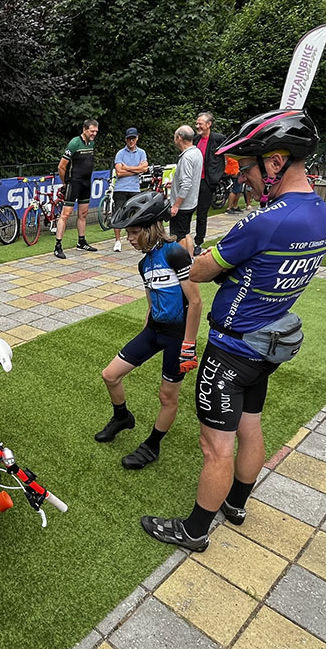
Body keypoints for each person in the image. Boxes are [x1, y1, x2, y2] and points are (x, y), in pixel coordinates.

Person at [140, 109, 326, 552]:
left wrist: (202, 257)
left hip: (230, 349)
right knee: (252, 425)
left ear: (275, 162)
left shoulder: (265, 220)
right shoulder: (323, 214)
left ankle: (193, 530)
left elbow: (202, 269)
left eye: (246, 168)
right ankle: (237, 503)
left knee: (216, 447)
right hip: (267, 344)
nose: (241, 178)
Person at [94, 192, 202, 469]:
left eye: (133, 232)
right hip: (154, 331)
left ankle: (152, 445)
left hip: (179, 337)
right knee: (110, 375)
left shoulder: (175, 253)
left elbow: (195, 301)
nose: (129, 238)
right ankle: (122, 417)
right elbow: (152, 301)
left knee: (167, 397)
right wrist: (143, 338)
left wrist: (189, 344)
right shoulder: (144, 263)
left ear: (151, 227)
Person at [54, 119, 100, 258]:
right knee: (66, 214)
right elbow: (61, 166)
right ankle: (58, 246)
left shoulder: (91, 143)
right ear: (85, 129)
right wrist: (65, 182)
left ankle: (81, 241)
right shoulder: (74, 143)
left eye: (96, 131)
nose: (94, 134)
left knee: (83, 213)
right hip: (74, 182)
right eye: (92, 131)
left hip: (86, 182)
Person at [192, 112, 227, 256]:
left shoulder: (218, 139)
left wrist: (217, 175)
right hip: (193, 181)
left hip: (207, 181)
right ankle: (183, 239)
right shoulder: (195, 140)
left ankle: (198, 242)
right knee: (187, 210)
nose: (197, 126)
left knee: (202, 214)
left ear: (208, 124)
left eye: (200, 123)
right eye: (197, 123)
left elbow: (229, 154)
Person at [110, 127, 149, 251]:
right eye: (129, 139)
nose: (131, 141)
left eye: (133, 138)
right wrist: (136, 169)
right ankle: (117, 241)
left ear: (137, 138)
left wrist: (128, 168)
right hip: (120, 188)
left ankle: (136, 238)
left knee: (136, 214)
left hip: (134, 188)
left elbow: (144, 169)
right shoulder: (120, 153)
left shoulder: (141, 152)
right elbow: (119, 172)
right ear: (126, 140)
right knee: (118, 214)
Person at [168, 126, 203, 255]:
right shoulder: (197, 152)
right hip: (191, 202)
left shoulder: (187, 157)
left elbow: (187, 184)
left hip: (182, 206)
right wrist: (174, 184)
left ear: (179, 138)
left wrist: (176, 205)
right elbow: (190, 178)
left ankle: (182, 264)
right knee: (186, 232)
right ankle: (190, 262)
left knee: (178, 236)